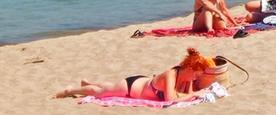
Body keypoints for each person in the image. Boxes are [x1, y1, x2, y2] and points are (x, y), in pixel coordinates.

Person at [53, 47, 214, 102]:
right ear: (190, 69)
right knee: (100, 94)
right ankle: (69, 91)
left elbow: (190, 95)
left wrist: (195, 93)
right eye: (196, 75)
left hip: (141, 82)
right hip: (130, 87)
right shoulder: (171, 74)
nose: (196, 78)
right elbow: (170, 100)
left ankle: (87, 83)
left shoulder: (186, 77)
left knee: (107, 87)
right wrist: (196, 94)